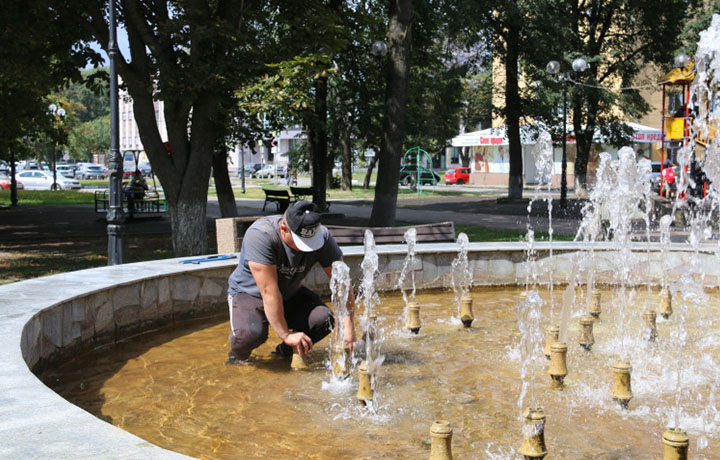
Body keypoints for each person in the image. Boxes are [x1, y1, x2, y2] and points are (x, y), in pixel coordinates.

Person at [226, 200, 355, 364]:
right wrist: (286, 334)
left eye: (310, 242)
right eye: (300, 242)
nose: (305, 249)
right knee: (251, 334)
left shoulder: (322, 236)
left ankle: (284, 354)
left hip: (288, 292)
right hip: (250, 293)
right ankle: (237, 357)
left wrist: (349, 325)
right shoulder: (261, 235)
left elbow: (342, 282)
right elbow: (269, 292)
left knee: (324, 320)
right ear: (284, 229)